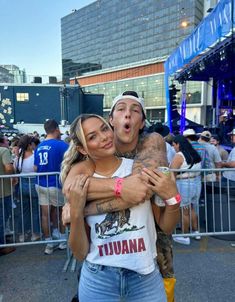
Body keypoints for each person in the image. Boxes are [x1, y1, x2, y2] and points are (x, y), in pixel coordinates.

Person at [62, 91, 180, 302]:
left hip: (150, 264)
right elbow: (70, 189)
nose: (128, 116)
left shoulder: (151, 143)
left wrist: (82, 208)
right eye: (121, 109)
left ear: (143, 122)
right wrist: (118, 188)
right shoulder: (86, 167)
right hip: (100, 272)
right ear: (112, 119)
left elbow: (142, 191)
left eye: (135, 111)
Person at [34, 119, 68, 255]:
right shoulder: (61, 145)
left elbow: (35, 167)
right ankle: (62, 240)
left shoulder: (39, 146)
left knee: (45, 215)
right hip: (55, 184)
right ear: (56, 129)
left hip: (40, 183)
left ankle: (48, 243)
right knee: (61, 213)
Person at [170, 135, 202, 245]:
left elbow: (172, 172)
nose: (173, 147)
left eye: (174, 145)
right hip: (196, 183)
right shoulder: (194, 153)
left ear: (178, 144)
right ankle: (196, 231)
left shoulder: (179, 155)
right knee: (191, 208)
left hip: (184, 185)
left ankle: (185, 235)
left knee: (184, 211)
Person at [14, 135, 40, 242]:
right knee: (34, 210)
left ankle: (22, 234)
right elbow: (37, 169)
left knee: (23, 211)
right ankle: (35, 233)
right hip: (33, 183)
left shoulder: (18, 158)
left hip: (22, 184)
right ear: (29, 145)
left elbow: (16, 170)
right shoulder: (34, 157)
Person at [0, 136, 16, 256]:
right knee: (2, 218)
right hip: (3, 191)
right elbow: (8, 168)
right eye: (6, 140)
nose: (8, 142)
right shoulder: (4, 151)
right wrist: (13, 176)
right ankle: (2, 246)